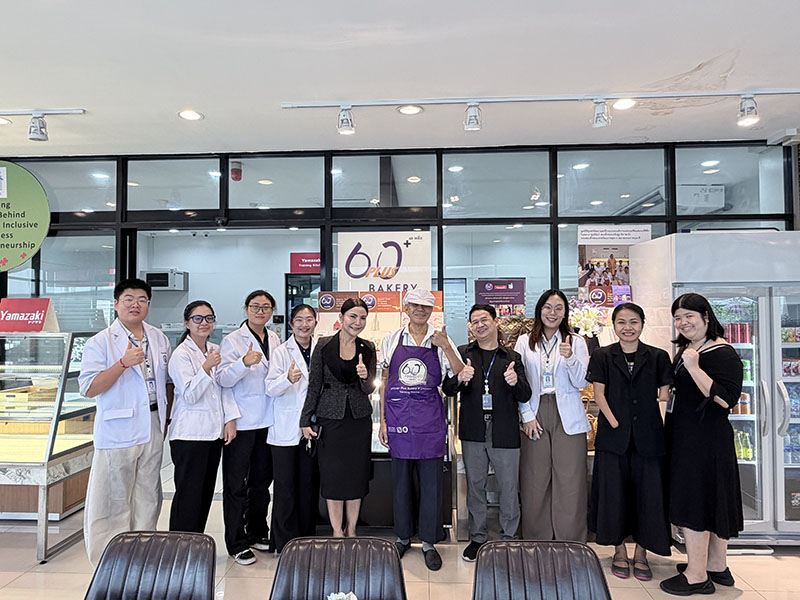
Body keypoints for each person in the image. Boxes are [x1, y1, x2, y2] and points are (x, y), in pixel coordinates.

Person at [78, 278, 173, 565]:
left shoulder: (158, 337)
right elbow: (89, 387)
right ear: (116, 304)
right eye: (129, 299)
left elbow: (167, 381)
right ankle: (109, 559)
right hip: (118, 428)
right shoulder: (101, 341)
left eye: (142, 299)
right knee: (112, 497)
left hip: (153, 423)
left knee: (148, 493)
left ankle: (144, 554)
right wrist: (122, 364)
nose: (135, 304)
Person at [660, 293, 743, 596]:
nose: (683, 323)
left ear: (706, 317)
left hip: (705, 440)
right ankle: (716, 565)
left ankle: (696, 575)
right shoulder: (691, 349)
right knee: (712, 498)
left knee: (696, 500)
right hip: (689, 436)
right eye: (678, 318)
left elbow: (725, 399)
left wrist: (694, 368)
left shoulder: (722, 353)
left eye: (689, 316)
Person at [378, 289, 464, 571]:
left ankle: (429, 542)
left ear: (432, 311)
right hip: (398, 419)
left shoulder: (440, 339)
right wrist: (383, 422)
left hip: (430, 422)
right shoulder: (392, 339)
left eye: (426, 307)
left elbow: (460, 373)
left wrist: (447, 347)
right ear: (406, 308)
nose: (420, 311)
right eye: (415, 306)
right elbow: (385, 382)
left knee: (431, 485)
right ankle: (403, 538)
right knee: (400, 483)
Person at [586, 303, 672, 581]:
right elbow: (599, 395)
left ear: (643, 324)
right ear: (614, 325)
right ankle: (619, 551)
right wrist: (613, 422)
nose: (627, 327)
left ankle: (643, 554)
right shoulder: (602, 355)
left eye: (633, 322)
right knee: (613, 496)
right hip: (613, 438)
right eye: (621, 322)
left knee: (649, 496)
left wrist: (654, 424)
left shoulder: (658, 357)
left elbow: (664, 396)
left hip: (649, 438)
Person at [442, 304, 531, 562]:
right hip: (473, 431)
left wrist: (515, 383)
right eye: (474, 321)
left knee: (508, 487)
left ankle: (510, 538)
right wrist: (460, 377)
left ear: (495, 322)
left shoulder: (511, 357)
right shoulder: (463, 353)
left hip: (504, 431)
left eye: (484, 320)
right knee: (476, 487)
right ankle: (478, 538)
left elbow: (525, 394)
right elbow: (448, 389)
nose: (479, 325)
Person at [514, 289, 590, 542]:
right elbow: (520, 382)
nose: (553, 313)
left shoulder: (576, 342)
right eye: (548, 307)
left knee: (570, 480)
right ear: (539, 310)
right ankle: (537, 538)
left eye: (559, 308)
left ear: (565, 312)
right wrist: (526, 416)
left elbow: (581, 382)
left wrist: (569, 359)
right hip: (534, 412)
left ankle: (570, 540)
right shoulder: (524, 341)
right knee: (534, 479)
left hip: (567, 413)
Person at [300, 298, 377, 538]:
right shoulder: (323, 345)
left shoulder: (368, 347)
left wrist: (365, 377)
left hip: (358, 420)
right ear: (341, 318)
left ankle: (352, 529)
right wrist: (305, 420)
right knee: (333, 477)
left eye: (362, 318)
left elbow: (369, 389)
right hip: (330, 419)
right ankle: (336, 531)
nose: (357, 322)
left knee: (356, 476)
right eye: (353, 316)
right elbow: (313, 387)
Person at [217, 290, 280, 565]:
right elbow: (222, 380)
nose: (260, 311)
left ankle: (257, 531)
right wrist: (243, 363)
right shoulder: (232, 341)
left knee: (261, 483)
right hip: (241, 423)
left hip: (268, 421)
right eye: (255, 307)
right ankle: (236, 541)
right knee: (235, 484)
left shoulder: (274, 337)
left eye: (266, 307)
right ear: (246, 309)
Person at [168, 300, 239, 534]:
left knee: (205, 493)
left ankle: (196, 541)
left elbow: (223, 388)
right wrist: (206, 368)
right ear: (187, 323)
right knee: (189, 494)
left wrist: (230, 419)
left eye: (209, 318)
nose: (204, 323)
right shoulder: (181, 355)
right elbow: (190, 394)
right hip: (189, 435)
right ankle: (180, 544)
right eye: (198, 318)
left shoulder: (213, 349)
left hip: (213, 434)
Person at [265, 304, 319, 554]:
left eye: (309, 320)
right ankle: (284, 542)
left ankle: (306, 538)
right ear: (291, 323)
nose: (304, 325)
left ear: (316, 322)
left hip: (311, 429)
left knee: (307, 485)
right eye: (299, 320)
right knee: (285, 487)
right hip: (285, 429)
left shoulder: (320, 349)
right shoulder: (280, 352)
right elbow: (270, 389)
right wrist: (288, 379)